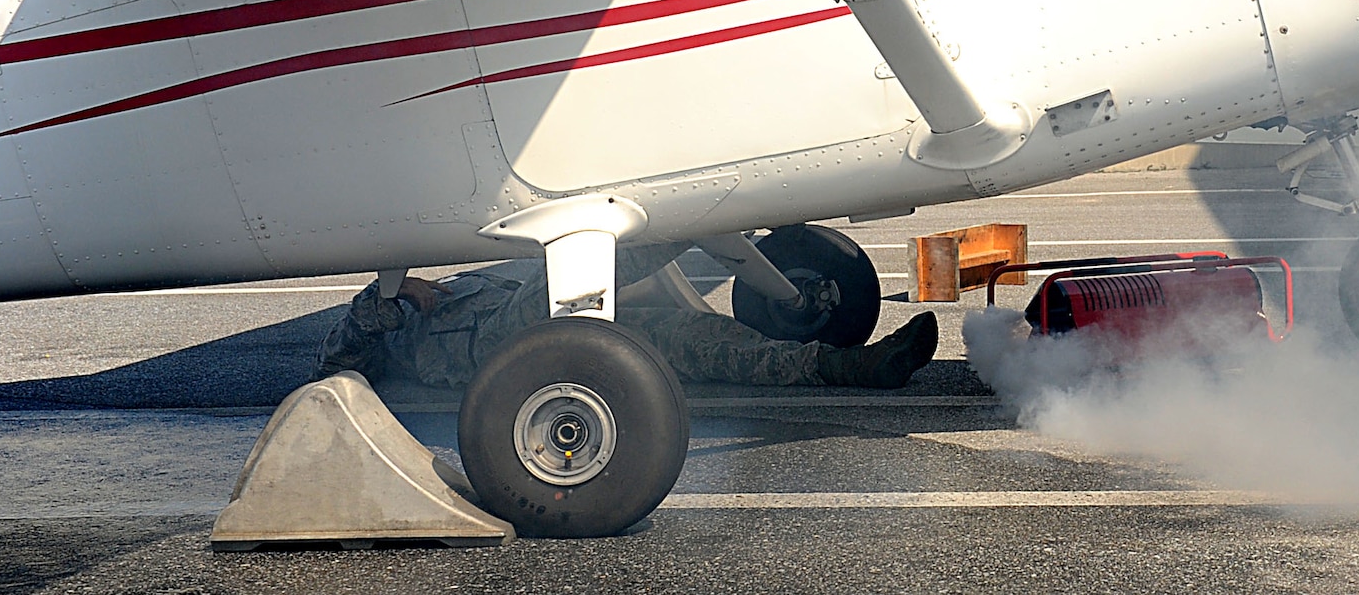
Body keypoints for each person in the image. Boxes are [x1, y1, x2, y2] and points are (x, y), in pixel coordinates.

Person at [316, 265, 937, 390]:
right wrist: (388, 293)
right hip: (498, 355)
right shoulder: (388, 326)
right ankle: (674, 217)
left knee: (691, 336)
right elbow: (334, 367)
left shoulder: (467, 282)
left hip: (563, 331)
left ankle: (847, 366)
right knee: (555, 280)